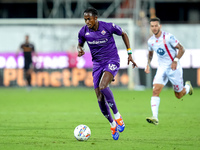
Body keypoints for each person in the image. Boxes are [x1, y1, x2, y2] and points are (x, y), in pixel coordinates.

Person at [77, 8, 137, 140]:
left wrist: (129, 53)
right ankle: (112, 124)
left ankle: (117, 116)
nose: (87, 22)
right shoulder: (83, 31)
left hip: (112, 60)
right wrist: (80, 49)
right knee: (99, 96)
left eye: (89, 19)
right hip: (97, 64)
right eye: (85, 19)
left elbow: (124, 33)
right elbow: (80, 44)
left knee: (103, 86)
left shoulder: (108, 27)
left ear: (96, 18)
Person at [145, 17, 193, 125]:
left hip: (173, 68)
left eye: (156, 25)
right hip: (161, 68)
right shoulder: (151, 41)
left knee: (179, 95)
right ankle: (155, 117)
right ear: (150, 27)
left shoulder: (168, 37)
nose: (154, 28)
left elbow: (182, 48)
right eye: (152, 26)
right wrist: (148, 64)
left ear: (160, 26)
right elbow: (151, 54)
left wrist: (175, 60)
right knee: (155, 91)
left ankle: (188, 87)